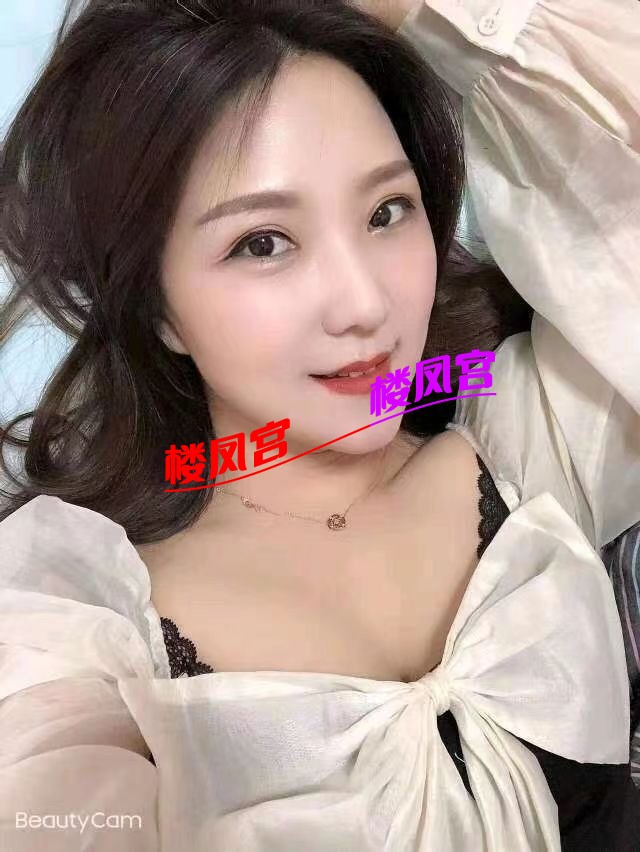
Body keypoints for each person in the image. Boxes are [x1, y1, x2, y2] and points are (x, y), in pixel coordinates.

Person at [0, 0, 638, 849]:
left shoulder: (528, 444)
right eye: (263, 242)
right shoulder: (74, 625)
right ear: (156, 307)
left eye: (387, 212)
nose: (365, 305)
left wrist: (426, 13)